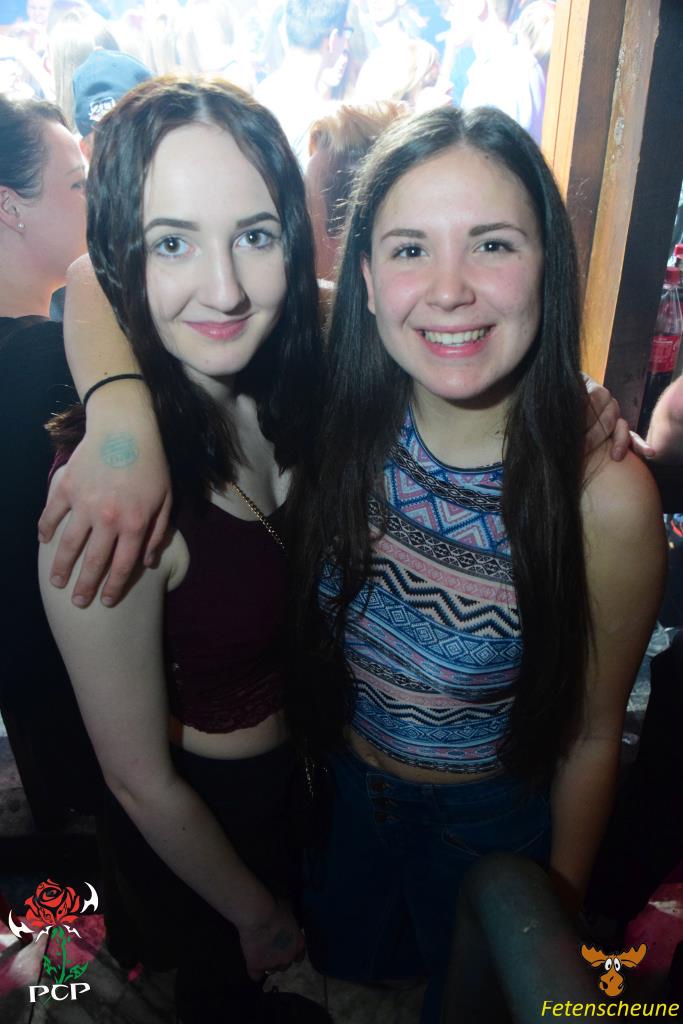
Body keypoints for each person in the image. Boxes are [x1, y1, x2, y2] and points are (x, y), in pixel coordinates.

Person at [287, 105, 665, 1021]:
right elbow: (124, 286)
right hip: (338, 792)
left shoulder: (602, 493)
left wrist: (551, 916)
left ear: (547, 266)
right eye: (410, 249)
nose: (448, 289)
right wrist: (117, 420)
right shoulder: (336, 404)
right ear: (365, 276)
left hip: (487, 828)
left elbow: (590, 735)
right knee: (339, 981)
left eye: (491, 245)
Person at [37, 75, 331, 1024]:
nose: (226, 288)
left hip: (308, 788)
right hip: (203, 835)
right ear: (124, 255)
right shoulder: (101, 501)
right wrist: (255, 916)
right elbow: (137, 777)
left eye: (255, 235)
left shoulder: (285, 384)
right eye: (172, 243)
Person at [0, 94, 92, 827]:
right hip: (72, 690)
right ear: (10, 207)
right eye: (77, 181)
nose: (96, 196)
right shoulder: (46, 363)